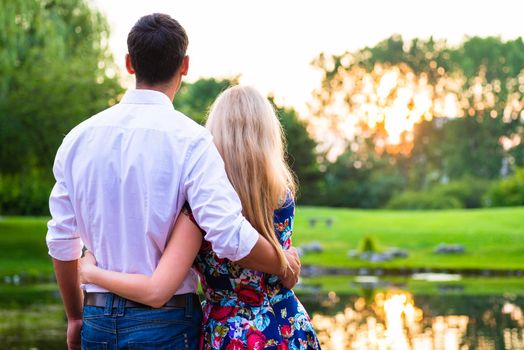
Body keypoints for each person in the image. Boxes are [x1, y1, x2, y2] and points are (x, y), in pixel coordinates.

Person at [46, 14, 300, 350]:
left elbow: (63, 237)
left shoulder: (77, 139)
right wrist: (283, 262)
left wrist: (75, 317)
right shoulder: (192, 142)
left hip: (98, 320)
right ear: (184, 65)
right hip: (166, 321)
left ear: (128, 63)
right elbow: (226, 233)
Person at [79, 85, 321, 350]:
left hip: (229, 334)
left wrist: (90, 272)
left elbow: (157, 289)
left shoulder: (200, 209)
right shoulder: (282, 196)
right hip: (286, 326)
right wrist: (285, 265)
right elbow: (286, 274)